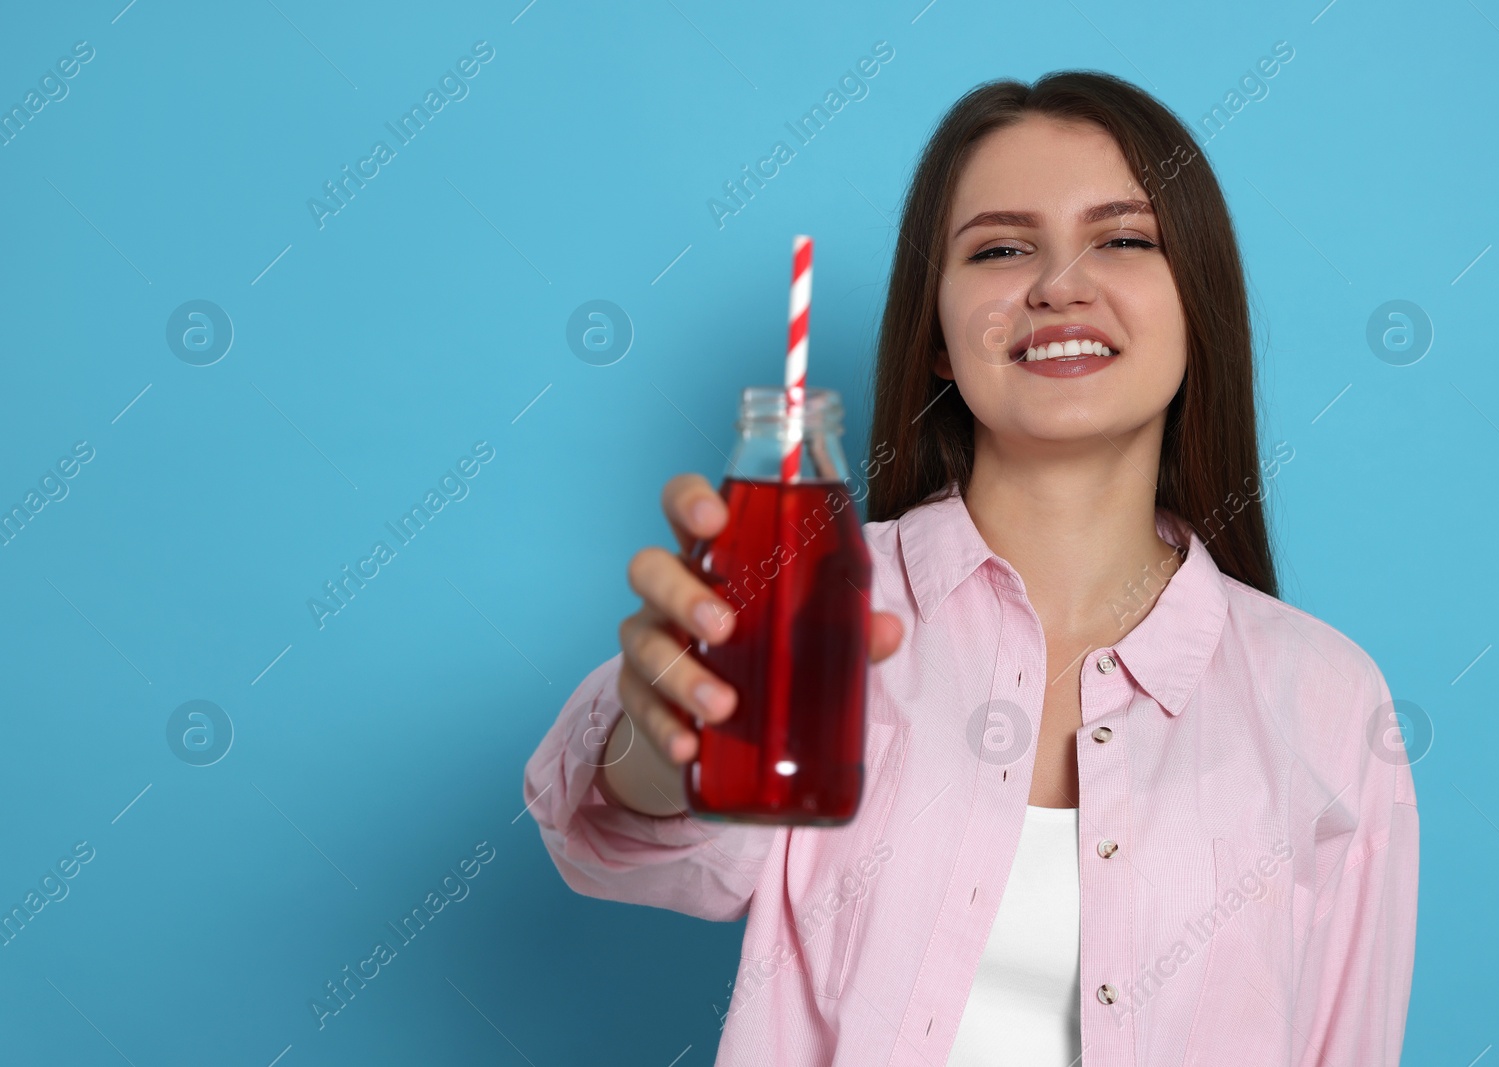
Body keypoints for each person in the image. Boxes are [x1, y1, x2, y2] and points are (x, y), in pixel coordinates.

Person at [524, 70, 1419, 1067]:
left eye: (1122, 238)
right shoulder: (806, 606)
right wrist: (659, 734)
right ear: (940, 337)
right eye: (999, 248)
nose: (1058, 284)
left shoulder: (1330, 699)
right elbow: (621, 838)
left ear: (1195, 304)